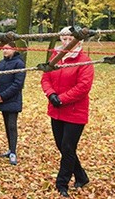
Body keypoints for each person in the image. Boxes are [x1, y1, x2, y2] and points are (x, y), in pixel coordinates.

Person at [41, 27, 94, 197]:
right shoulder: (55, 58)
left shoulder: (84, 61)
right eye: (63, 38)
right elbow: (45, 78)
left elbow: (83, 87)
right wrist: (51, 94)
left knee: (68, 147)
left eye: (69, 38)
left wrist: (62, 98)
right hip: (56, 110)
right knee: (62, 147)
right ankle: (81, 176)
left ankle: (61, 183)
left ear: (78, 40)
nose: (66, 42)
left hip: (75, 112)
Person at [0, 42, 26, 165]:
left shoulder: (19, 64)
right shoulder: (1, 64)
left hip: (12, 100)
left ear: (14, 49)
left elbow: (18, 84)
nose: (5, 51)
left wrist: (3, 96)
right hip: (1, 99)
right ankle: (10, 148)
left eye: (8, 48)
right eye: (4, 48)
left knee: (12, 125)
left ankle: (13, 151)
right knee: (6, 125)